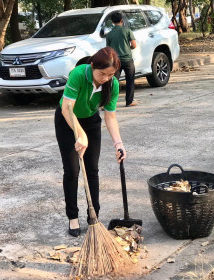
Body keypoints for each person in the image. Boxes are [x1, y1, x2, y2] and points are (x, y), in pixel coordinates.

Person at [54, 47, 126, 237]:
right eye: (102, 73)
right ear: (93, 65)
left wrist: (118, 144)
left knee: (92, 169)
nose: (105, 78)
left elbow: (110, 117)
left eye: (110, 75)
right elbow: (67, 107)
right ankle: (73, 217)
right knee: (72, 170)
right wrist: (79, 133)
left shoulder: (113, 84)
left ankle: (94, 216)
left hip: (91, 121)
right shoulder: (78, 74)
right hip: (67, 119)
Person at [106, 12, 138, 107]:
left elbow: (109, 49)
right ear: (122, 20)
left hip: (115, 61)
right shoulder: (127, 30)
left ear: (112, 22)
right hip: (128, 59)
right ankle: (129, 101)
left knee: (114, 82)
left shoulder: (109, 34)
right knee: (130, 80)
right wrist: (129, 48)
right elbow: (134, 45)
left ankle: (110, 103)